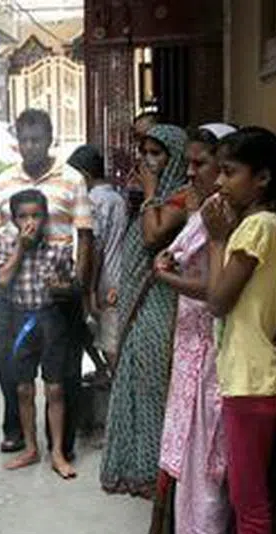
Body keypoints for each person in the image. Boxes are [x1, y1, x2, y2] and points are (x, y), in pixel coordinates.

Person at [192, 127, 276, 534]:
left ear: (263, 177)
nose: (221, 182)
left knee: (251, 505)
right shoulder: (257, 224)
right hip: (244, 378)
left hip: (254, 383)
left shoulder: (256, 229)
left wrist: (214, 238)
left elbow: (217, 299)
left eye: (231, 172)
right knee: (241, 498)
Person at [146, 124, 238, 534]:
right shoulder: (206, 213)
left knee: (205, 470)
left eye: (204, 164)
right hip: (191, 350)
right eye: (195, 164)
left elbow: (213, 290)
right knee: (189, 463)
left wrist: (167, 276)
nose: (194, 172)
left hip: (209, 355)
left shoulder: (228, 218)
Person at [0, 109, 93, 459]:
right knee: (10, 364)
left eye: (37, 140)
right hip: (15, 289)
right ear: (17, 142)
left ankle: (62, 443)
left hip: (57, 288)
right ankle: (16, 432)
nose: (30, 147)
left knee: (63, 369)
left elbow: (85, 234)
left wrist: (79, 283)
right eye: (24, 140)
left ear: (50, 140)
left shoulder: (71, 180)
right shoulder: (5, 181)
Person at [100, 124, 190, 505]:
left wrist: (152, 191)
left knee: (153, 386)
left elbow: (155, 238)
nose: (148, 161)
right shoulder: (152, 198)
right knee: (134, 381)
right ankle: (133, 468)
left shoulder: (182, 199)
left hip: (159, 304)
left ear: (175, 158)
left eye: (158, 153)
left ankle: (155, 476)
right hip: (138, 301)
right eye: (145, 152)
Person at [0, 189, 78, 479]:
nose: (30, 222)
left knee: (55, 387)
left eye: (36, 215)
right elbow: (3, 280)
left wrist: (60, 287)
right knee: (23, 388)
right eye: (23, 217)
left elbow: (69, 284)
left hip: (50, 318)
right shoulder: (7, 244)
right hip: (20, 320)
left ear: (45, 218)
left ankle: (56, 451)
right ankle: (31, 448)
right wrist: (21, 247)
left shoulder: (57, 247)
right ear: (14, 220)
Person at [67, 144, 128, 368]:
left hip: (104, 278)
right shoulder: (116, 197)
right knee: (105, 334)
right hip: (118, 271)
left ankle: (116, 384)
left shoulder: (93, 200)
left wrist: (89, 289)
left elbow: (94, 247)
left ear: (84, 175)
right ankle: (108, 374)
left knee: (109, 340)